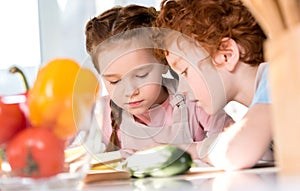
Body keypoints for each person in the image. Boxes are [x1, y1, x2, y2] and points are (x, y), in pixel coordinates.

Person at [84, 5, 232, 158]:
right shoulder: (102, 115)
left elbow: (234, 140)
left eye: (141, 75)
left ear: (163, 62)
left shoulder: (195, 100)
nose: (130, 91)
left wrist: (182, 151)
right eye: (114, 81)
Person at [155, 0, 274, 170]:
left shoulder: (278, 77)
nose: (181, 89)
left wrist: (191, 150)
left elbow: (235, 152)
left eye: (184, 71)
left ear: (226, 54)